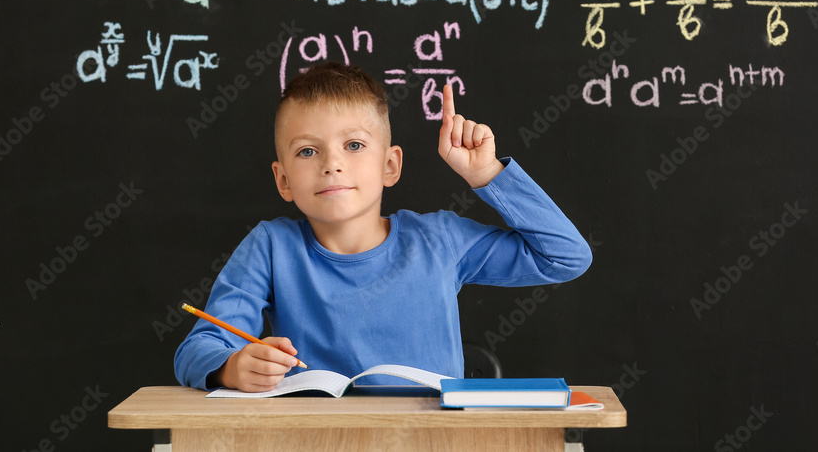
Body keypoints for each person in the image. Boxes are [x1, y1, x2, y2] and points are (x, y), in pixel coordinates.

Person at [174, 62, 591, 391]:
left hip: (433, 444)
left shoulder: (438, 240)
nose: (331, 164)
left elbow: (565, 257)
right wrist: (231, 367)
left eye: (354, 145)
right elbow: (197, 349)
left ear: (390, 165)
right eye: (306, 151)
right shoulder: (271, 246)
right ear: (283, 180)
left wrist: (488, 175)